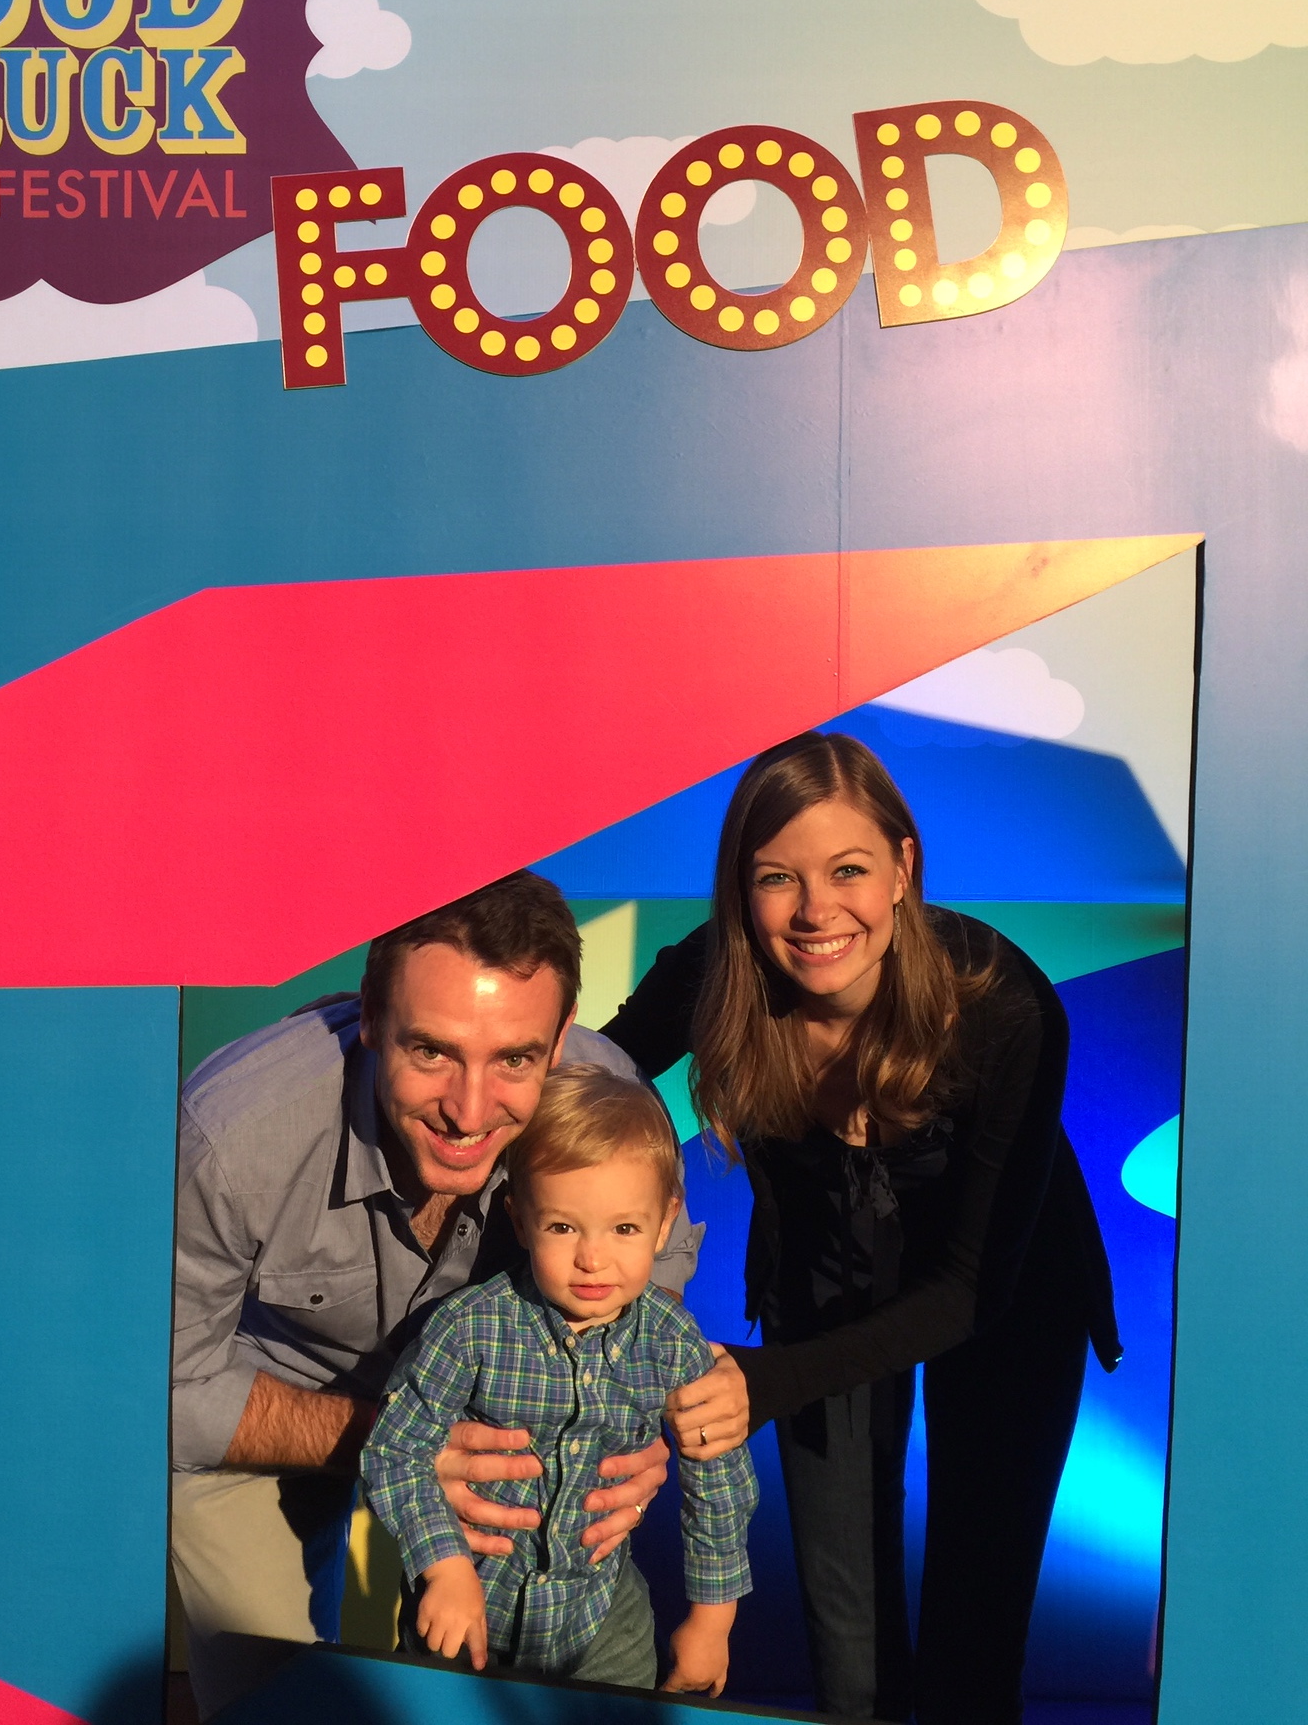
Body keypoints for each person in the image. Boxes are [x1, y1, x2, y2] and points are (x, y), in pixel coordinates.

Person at [609, 732, 1122, 1725]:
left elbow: (971, 1288)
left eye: (848, 869)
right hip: (824, 1277)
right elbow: (587, 1083)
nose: (816, 911)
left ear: (902, 867)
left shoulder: (1004, 1004)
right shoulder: (717, 971)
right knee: (851, 1659)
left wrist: (770, 1379)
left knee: (975, 1648)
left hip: (1008, 1289)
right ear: (741, 888)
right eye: (778, 878)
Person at [169, 871, 706, 1720]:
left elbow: (649, 1296)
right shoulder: (231, 1136)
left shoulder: (611, 1105)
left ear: (561, 1038)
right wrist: (398, 1442)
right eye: (431, 1051)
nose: (468, 1109)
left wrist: (643, 1418)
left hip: (499, 1436)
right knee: (268, 1703)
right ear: (371, 1015)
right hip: (269, 1407)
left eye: (515, 1058)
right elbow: (167, 1391)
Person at [363, 1065, 758, 1693]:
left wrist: (713, 1622)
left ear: (664, 1223)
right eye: (563, 1227)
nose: (592, 1259)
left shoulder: (671, 1341)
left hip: (600, 1622)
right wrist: (443, 1567)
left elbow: (720, 1481)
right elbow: (395, 1448)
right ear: (520, 1221)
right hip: (469, 1607)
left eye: (624, 1228)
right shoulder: (470, 1328)